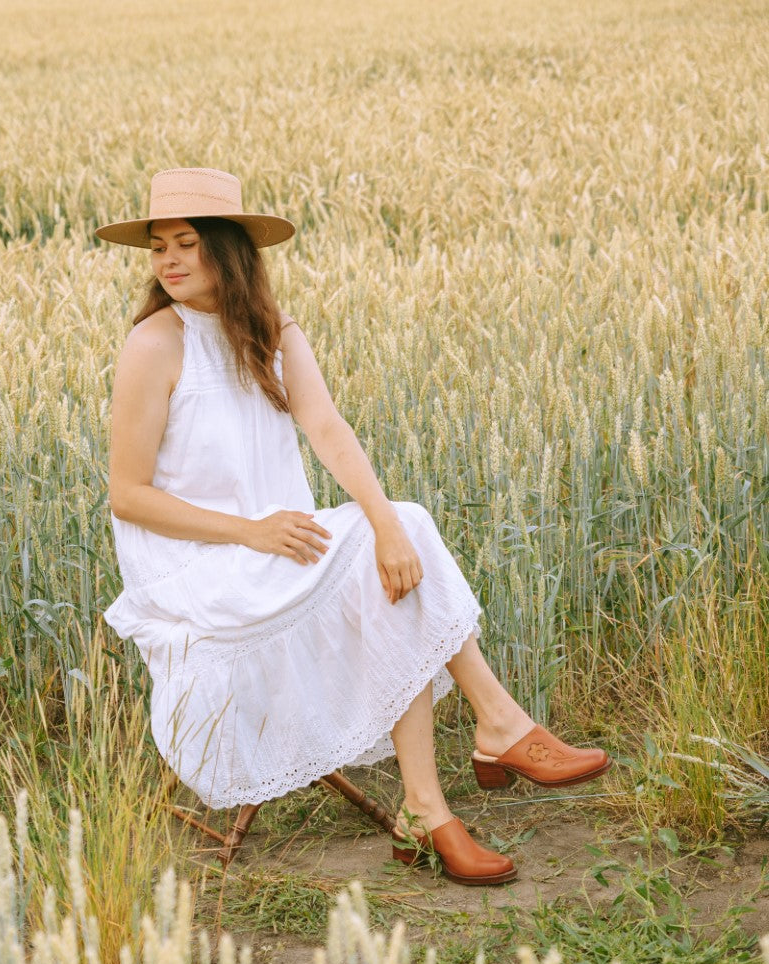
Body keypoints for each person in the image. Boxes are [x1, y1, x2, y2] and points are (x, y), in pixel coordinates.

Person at [96, 168, 609, 886]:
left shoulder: (272, 333)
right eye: (158, 248)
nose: (170, 260)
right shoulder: (154, 344)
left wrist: (384, 525)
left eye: (187, 243)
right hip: (195, 568)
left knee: (400, 541)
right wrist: (250, 532)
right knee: (391, 545)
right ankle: (491, 736)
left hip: (281, 549)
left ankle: (430, 806)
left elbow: (328, 429)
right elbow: (127, 496)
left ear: (231, 252)